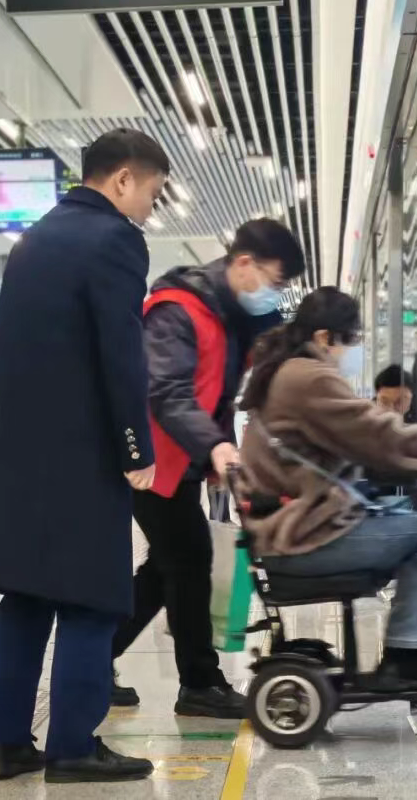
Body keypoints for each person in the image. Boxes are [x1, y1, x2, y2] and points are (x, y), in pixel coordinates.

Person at [0, 128, 170, 784]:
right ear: (124, 179)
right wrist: (136, 446)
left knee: (24, 599)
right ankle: (74, 745)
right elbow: (120, 355)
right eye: (152, 192)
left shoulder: (35, 237)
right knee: (91, 602)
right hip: (80, 457)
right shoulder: (116, 240)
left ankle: (7, 745)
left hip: (14, 454)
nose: (150, 208)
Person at [110, 218, 306, 718]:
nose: (273, 293)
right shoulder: (177, 311)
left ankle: (92, 658)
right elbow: (167, 392)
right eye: (275, 281)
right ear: (244, 263)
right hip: (149, 459)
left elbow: (221, 388)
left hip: (183, 457)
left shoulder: (233, 314)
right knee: (188, 559)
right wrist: (215, 445)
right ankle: (199, 683)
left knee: (167, 565)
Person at [236, 288, 417, 687]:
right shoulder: (308, 376)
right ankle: (410, 655)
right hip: (299, 537)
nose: (354, 349)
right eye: (353, 339)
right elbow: (379, 433)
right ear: (325, 337)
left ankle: (415, 644)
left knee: (408, 527)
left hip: (283, 530)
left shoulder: (284, 370)